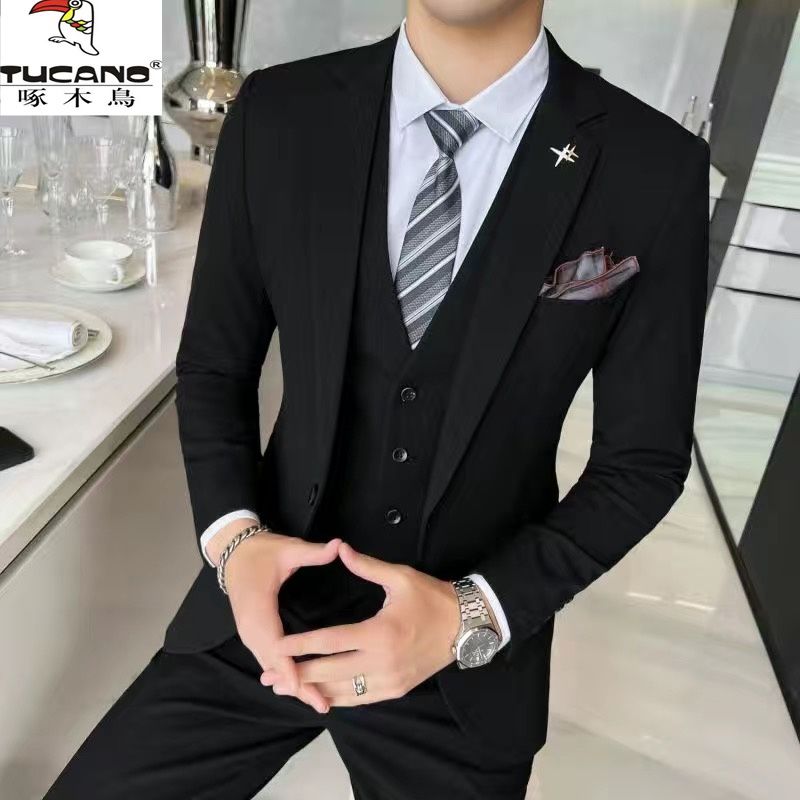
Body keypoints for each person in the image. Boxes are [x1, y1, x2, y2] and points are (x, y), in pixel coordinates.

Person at [44, 0, 710, 797]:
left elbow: (642, 463)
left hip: (465, 649)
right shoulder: (279, 113)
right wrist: (235, 544)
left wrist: (472, 614)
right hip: (264, 604)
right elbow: (216, 366)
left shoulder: (653, 166)